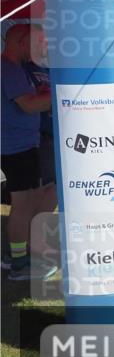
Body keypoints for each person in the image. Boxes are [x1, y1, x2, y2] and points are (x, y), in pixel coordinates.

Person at [1, 24, 57, 280]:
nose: (40, 47)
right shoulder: (8, 68)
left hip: (23, 143)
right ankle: (19, 264)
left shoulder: (14, 68)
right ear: (22, 42)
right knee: (23, 204)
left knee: (30, 200)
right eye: (36, 42)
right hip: (17, 145)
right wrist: (64, 93)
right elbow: (29, 105)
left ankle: (20, 258)